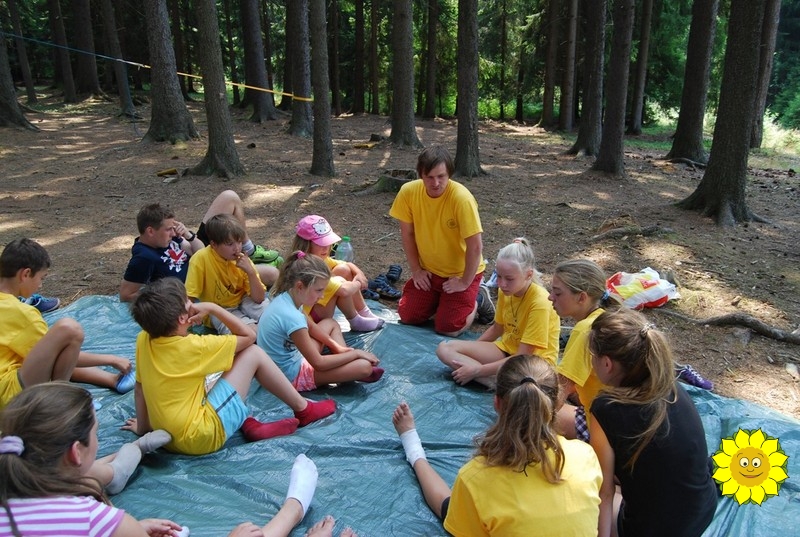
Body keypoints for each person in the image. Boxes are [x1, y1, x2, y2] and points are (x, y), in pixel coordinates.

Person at [0, 382, 328, 537]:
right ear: (76, 452)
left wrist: (130, 530)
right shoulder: (87, 516)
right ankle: (294, 509)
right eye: (97, 433)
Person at [123, 277, 336, 456]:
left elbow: (140, 388)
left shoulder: (143, 338)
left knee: (218, 371)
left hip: (165, 435)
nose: (192, 302)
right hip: (200, 437)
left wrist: (143, 427)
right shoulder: (196, 346)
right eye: (188, 300)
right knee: (252, 354)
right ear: (182, 318)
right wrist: (213, 308)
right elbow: (249, 336)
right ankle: (304, 409)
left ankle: (247, 423)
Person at [392, 354, 602, 536]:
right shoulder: (585, 455)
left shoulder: (475, 477)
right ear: (556, 403)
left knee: (450, 508)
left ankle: (415, 451)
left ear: (497, 403)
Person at [588, 308, 717, 537]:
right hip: (703, 509)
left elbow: (604, 492)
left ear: (607, 364)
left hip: (654, 529)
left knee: (583, 491)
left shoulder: (605, 409)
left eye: (592, 356)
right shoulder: (671, 386)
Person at [0, 238, 135, 409]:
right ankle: (61, 402)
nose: (40, 285)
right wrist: (111, 359)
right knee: (70, 330)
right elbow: (58, 356)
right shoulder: (22, 313)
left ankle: (111, 380)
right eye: (41, 278)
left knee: (61, 352)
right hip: (10, 396)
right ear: (25, 274)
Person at [389, 146, 491, 337]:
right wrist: (416, 270)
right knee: (408, 316)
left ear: (449, 174)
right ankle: (442, 301)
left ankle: (478, 298)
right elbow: (407, 234)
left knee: (448, 328)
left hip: (461, 273)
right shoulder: (408, 192)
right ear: (420, 175)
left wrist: (464, 282)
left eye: (441, 176)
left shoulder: (461, 198)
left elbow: (475, 246)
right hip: (430, 271)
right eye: (429, 177)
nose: (435, 183)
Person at [436, 238, 560, 388]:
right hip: (506, 350)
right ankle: (498, 382)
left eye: (509, 279)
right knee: (445, 349)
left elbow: (523, 355)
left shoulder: (539, 302)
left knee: (524, 380)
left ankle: (495, 381)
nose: (502, 284)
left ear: (528, 275)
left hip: (533, 364)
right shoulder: (505, 292)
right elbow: (497, 329)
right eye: (499, 276)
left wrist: (477, 370)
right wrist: (472, 349)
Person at [120, 191, 278, 302]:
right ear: (150, 231)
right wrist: (165, 296)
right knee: (272, 274)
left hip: (205, 257)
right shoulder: (144, 257)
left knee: (229, 197)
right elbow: (126, 295)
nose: (173, 232)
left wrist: (188, 235)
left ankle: (249, 251)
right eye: (168, 229)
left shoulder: (168, 238)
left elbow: (199, 250)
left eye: (173, 227)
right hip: (206, 277)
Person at [257, 252, 384, 391]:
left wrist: (336, 346)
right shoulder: (292, 317)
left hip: (289, 360)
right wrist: (356, 353)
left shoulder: (289, 297)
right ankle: (346, 371)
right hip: (290, 377)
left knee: (330, 323)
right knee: (364, 368)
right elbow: (319, 363)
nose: (322, 296)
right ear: (300, 286)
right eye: (318, 290)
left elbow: (311, 327)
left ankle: (344, 365)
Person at [548, 259, 618, 441]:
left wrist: (529, 422)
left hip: (606, 429)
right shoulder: (605, 317)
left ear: (581, 298)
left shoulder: (585, 330)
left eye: (557, 293)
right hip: (621, 417)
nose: (550, 297)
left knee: (524, 407)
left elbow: (560, 390)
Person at [292, 215, 384, 333]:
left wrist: (359, 273)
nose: (326, 248)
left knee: (343, 269)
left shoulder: (316, 258)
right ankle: (355, 320)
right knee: (339, 282)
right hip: (308, 319)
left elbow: (345, 264)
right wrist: (358, 283)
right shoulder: (307, 267)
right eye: (321, 244)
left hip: (312, 309)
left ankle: (364, 313)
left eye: (328, 243)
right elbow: (344, 291)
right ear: (306, 244)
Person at [185, 214, 267, 336]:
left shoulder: (243, 260)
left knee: (273, 319)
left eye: (239, 242)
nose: (237, 248)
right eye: (230, 244)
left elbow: (259, 298)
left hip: (244, 299)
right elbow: (189, 297)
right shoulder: (200, 259)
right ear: (214, 245)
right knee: (251, 333)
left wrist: (250, 272)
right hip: (219, 308)